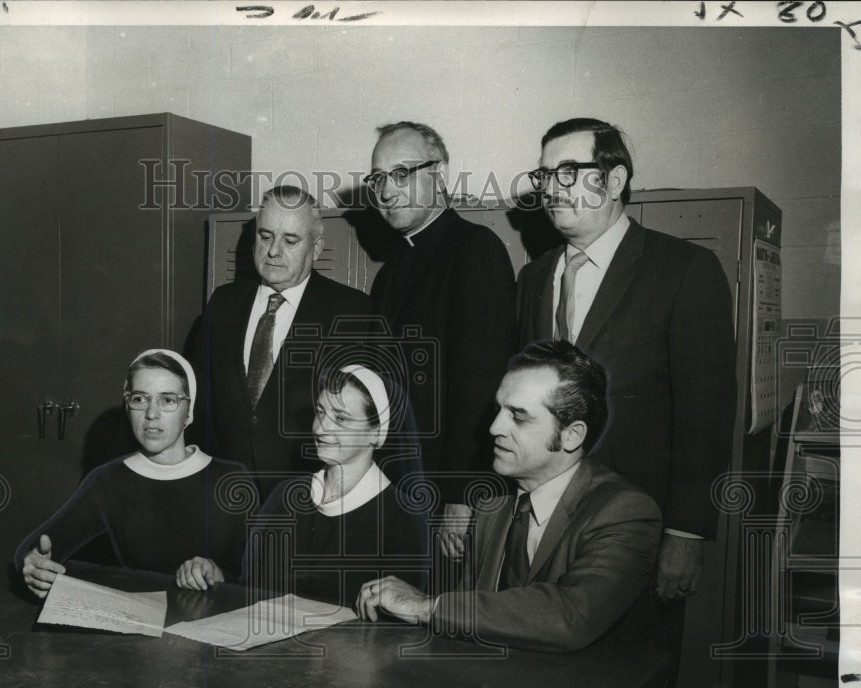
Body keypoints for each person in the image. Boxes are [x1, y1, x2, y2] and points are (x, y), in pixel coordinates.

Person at [515, 118, 736, 604]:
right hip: (541, 519)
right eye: (545, 175)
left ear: (615, 181)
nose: (553, 189)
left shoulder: (683, 270)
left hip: (637, 521)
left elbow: (707, 415)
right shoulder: (533, 278)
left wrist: (685, 533)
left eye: (569, 172)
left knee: (629, 669)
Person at [356, 341, 661, 654]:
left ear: (572, 435)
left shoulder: (624, 511)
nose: (494, 428)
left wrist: (426, 606)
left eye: (519, 416)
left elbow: (571, 616)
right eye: (499, 410)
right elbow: (472, 622)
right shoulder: (492, 503)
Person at [366, 121, 516, 559]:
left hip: (444, 492)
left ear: (440, 174)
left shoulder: (474, 249)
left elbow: (482, 385)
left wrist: (461, 495)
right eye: (378, 178)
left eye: (402, 173)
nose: (387, 191)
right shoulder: (393, 267)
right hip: (394, 481)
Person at [185, 186, 374, 500]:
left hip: (305, 499)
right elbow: (197, 403)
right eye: (265, 235)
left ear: (316, 248)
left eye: (290, 240)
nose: (273, 251)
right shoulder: (223, 303)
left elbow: (357, 424)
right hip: (222, 495)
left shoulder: (351, 311)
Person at [15, 349, 252, 598]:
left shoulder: (231, 478)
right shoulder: (108, 480)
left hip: (215, 624)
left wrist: (218, 574)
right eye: (140, 399)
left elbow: (257, 575)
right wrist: (33, 565)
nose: (151, 414)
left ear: (189, 411)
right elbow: (38, 547)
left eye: (167, 400)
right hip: (139, 629)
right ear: (128, 407)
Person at [243, 364, 430, 608]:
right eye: (320, 412)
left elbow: (397, 620)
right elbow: (249, 586)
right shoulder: (285, 495)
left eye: (341, 418)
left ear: (376, 433)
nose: (320, 429)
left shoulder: (402, 517)